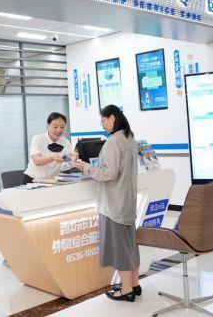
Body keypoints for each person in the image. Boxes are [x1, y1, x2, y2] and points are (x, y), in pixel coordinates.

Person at [74, 105, 140, 302]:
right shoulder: (129, 137)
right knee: (130, 245)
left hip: (114, 204)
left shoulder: (114, 141)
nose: (102, 125)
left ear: (112, 118)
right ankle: (134, 284)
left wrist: (85, 167)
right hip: (126, 201)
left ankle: (126, 290)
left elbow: (108, 173)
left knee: (120, 248)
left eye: (103, 121)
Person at [24, 112, 74, 181]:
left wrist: (72, 158)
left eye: (62, 127)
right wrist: (52, 158)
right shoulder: (38, 139)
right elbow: (37, 161)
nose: (59, 130)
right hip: (33, 179)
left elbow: (69, 158)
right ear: (47, 126)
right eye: (55, 127)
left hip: (51, 180)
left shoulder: (66, 142)